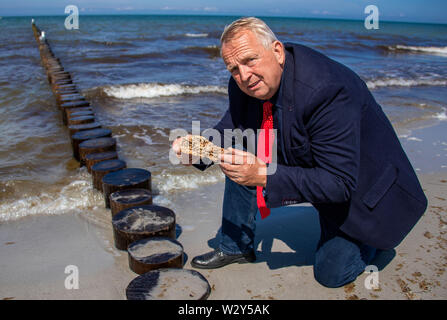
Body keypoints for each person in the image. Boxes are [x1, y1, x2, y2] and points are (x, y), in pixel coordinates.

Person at [172, 17, 427, 288]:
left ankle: (371, 242)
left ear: (278, 51)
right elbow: (233, 127)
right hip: (313, 162)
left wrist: (263, 175)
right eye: (233, 68)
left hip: (362, 190)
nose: (244, 76)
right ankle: (236, 246)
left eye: (250, 60)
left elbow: (339, 183)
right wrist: (196, 149)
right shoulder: (245, 83)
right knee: (239, 149)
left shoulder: (327, 89)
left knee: (330, 274)